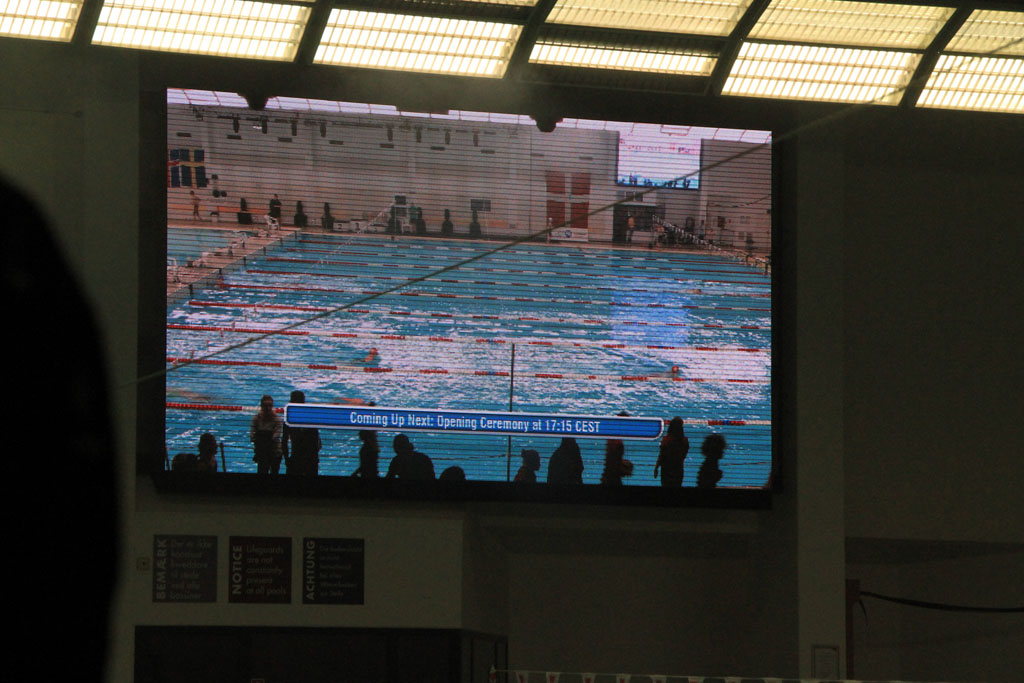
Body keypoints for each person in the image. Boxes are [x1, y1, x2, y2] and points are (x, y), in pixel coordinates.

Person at [282, 390, 321, 476]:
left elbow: (284, 441)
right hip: (308, 459)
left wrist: (286, 459)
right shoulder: (311, 418)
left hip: (299, 458)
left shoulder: (288, 419)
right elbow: (318, 442)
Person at [250, 394, 283, 474]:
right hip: (262, 451)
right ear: (261, 406)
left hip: (274, 452)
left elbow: (276, 437)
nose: (268, 408)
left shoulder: (277, 419)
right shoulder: (256, 418)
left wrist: (260, 437)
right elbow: (252, 436)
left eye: (270, 406)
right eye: (265, 406)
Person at [654, 417, 688, 487]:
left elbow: (661, 455)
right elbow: (683, 456)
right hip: (678, 469)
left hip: (666, 469)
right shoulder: (685, 441)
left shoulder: (666, 440)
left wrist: (656, 467)